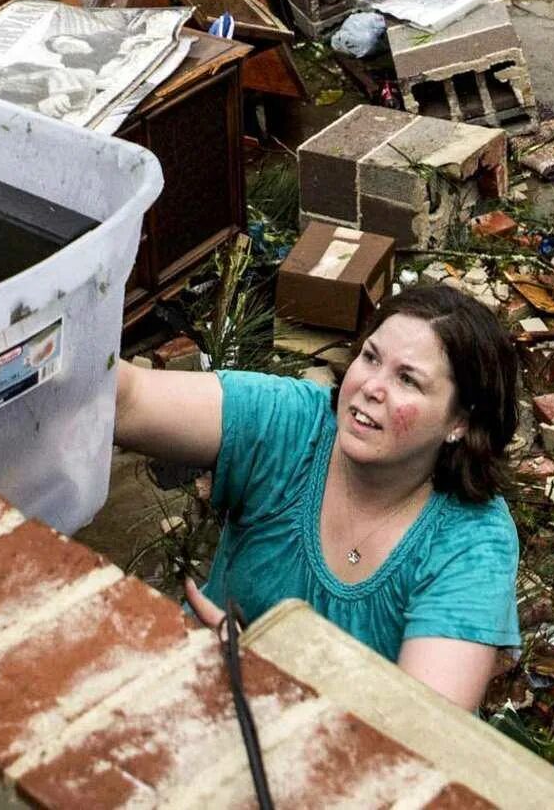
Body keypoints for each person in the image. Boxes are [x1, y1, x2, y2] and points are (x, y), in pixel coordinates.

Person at [112, 282, 523, 709]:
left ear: (459, 421)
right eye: (370, 357)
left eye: (407, 380)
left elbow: (423, 730)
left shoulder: (472, 539)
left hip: (345, 763)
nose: (370, 386)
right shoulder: (293, 426)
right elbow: (128, 401)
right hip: (198, 702)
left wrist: (262, 672)